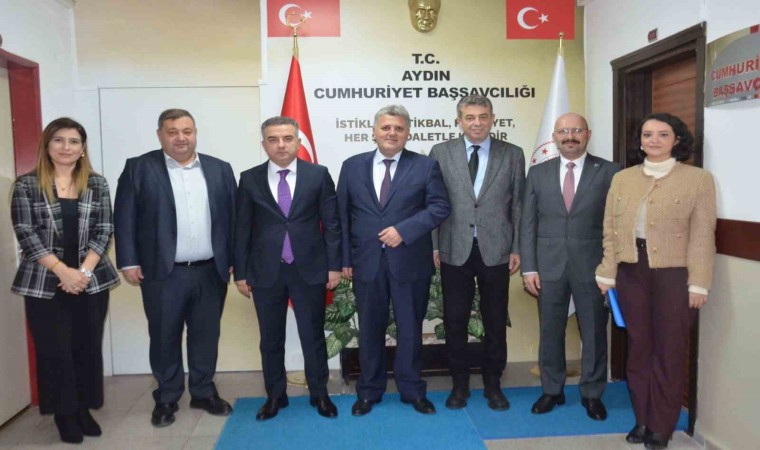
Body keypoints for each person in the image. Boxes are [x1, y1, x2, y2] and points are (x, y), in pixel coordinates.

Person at [596, 113, 716, 449]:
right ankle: (643, 419)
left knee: (669, 350)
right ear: (640, 140)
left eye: (663, 134)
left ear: (677, 139)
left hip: (675, 274)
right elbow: (610, 229)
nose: (654, 140)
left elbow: (703, 235)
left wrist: (699, 282)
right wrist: (607, 271)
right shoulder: (623, 179)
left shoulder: (698, 179)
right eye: (647, 134)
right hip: (631, 271)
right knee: (639, 349)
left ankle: (661, 426)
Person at [113, 109, 236, 427]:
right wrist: (128, 261)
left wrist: (234, 259)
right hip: (162, 272)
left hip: (211, 271)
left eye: (187, 131)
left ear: (195, 133)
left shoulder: (220, 169)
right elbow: (124, 217)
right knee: (164, 335)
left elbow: (232, 218)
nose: (181, 138)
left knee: (206, 335)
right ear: (160, 135)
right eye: (172, 132)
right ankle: (167, 397)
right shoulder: (139, 168)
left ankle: (203, 391)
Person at [10, 118, 120, 444]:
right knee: (55, 350)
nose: (66, 147)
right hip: (45, 281)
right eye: (59, 140)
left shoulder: (96, 184)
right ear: (47, 145)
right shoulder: (27, 185)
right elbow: (26, 233)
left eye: (74, 141)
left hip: (91, 280)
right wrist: (63, 271)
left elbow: (104, 230)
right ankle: (64, 413)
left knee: (86, 347)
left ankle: (84, 408)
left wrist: (82, 273)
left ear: (83, 148)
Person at [337, 105, 450, 416]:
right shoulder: (352, 166)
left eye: (399, 128)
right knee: (369, 329)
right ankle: (368, 392)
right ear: (374, 131)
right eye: (386, 127)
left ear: (408, 133)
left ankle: (412, 390)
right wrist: (345, 259)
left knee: (410, 329)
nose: (392, 133)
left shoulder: (425, 166)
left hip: (410, 262)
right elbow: (342, 217)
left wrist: (404, 230)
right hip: (366, 262)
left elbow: (440, 207)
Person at [234, 116, 341, 421]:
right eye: (273, 139)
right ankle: (275, 396)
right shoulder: (249, 178)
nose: (281, 145)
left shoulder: (318, 175)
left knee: (313, 336)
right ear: (264, 143)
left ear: (298, 141)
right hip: (265, 270)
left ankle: (319, 394)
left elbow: (332, 224)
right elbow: (242, 228)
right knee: (270, 339)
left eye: (287, 138)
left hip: (309, 268)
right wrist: (240, 272)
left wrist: (334, 266)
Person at [520, 113, 619, 421]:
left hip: (593, 266)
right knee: (550, 330)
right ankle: (552, 390)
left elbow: (616, 224)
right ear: (554, 136)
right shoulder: (538, 172)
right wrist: (529, 267)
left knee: (593, 332)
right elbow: (528, 223)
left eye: (576, 130)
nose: (570, 136)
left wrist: (610, 267)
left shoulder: (610, 171)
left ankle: (592, 393)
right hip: (548, 266)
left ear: (588, 134)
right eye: (563, 131)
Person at [429, 95, 524, 411]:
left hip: (496, 249)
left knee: (495, 320)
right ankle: (459, 385)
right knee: (454, 321)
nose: (477, 123)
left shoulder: (512, 154)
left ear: (493, 118)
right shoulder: (441, 153)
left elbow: (518, 205)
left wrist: (516, 247)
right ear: (459, 121)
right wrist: (434, 245)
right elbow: (432, 202)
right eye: (470, 117)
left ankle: (493, 385)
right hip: (454, 248)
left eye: (483, 116)